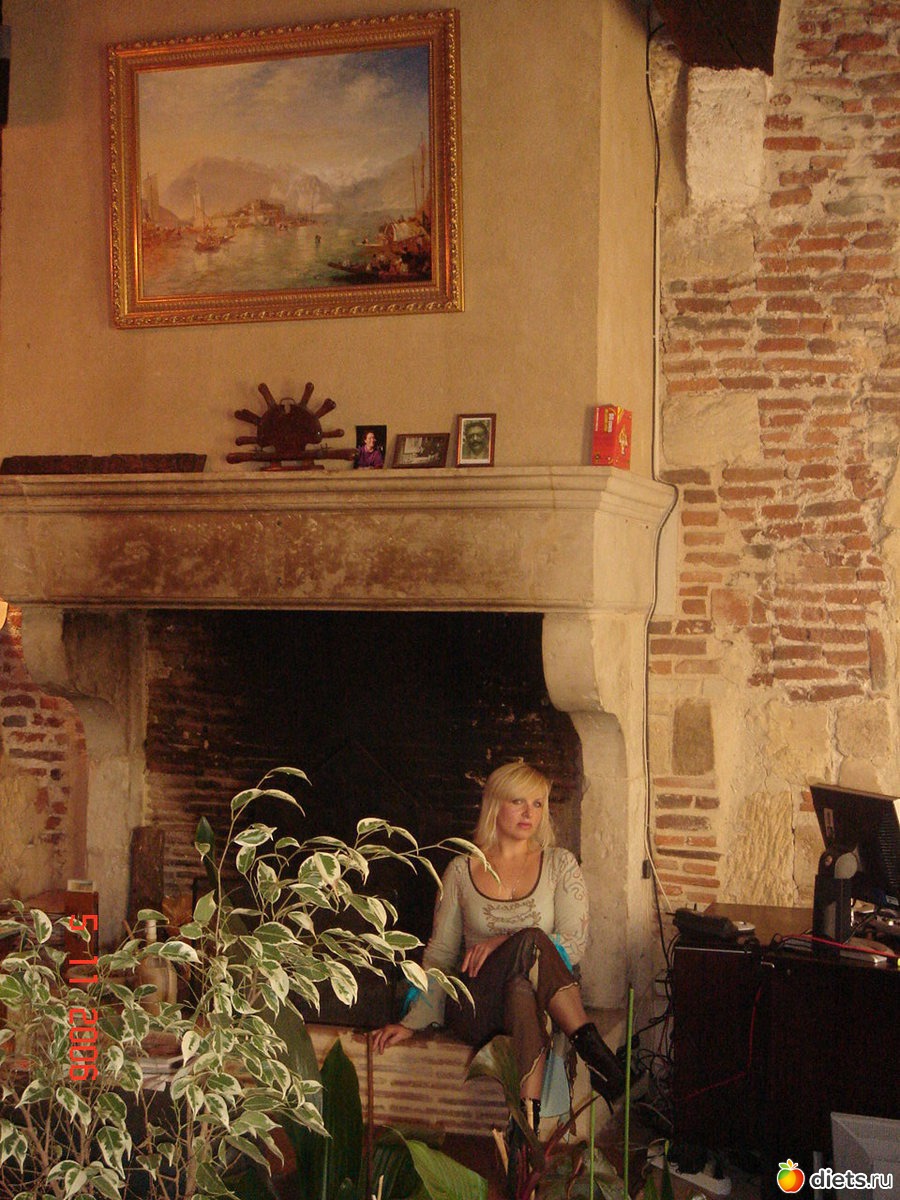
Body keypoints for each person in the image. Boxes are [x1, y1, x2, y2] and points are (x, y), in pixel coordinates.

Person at [372, 762, 625, 1132]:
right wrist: (413, 1022)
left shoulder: (559, 864)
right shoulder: (461, 870)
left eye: (537, 804)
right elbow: (440, 955)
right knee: (532, 939)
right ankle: (599, 1058)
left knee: (521, 989)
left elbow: (573, 944)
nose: (529, 813)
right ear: (494, 804)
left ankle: (525, 1131)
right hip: (475, 1004)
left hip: (536, 1001)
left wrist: (502, 942)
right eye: (518, 802)